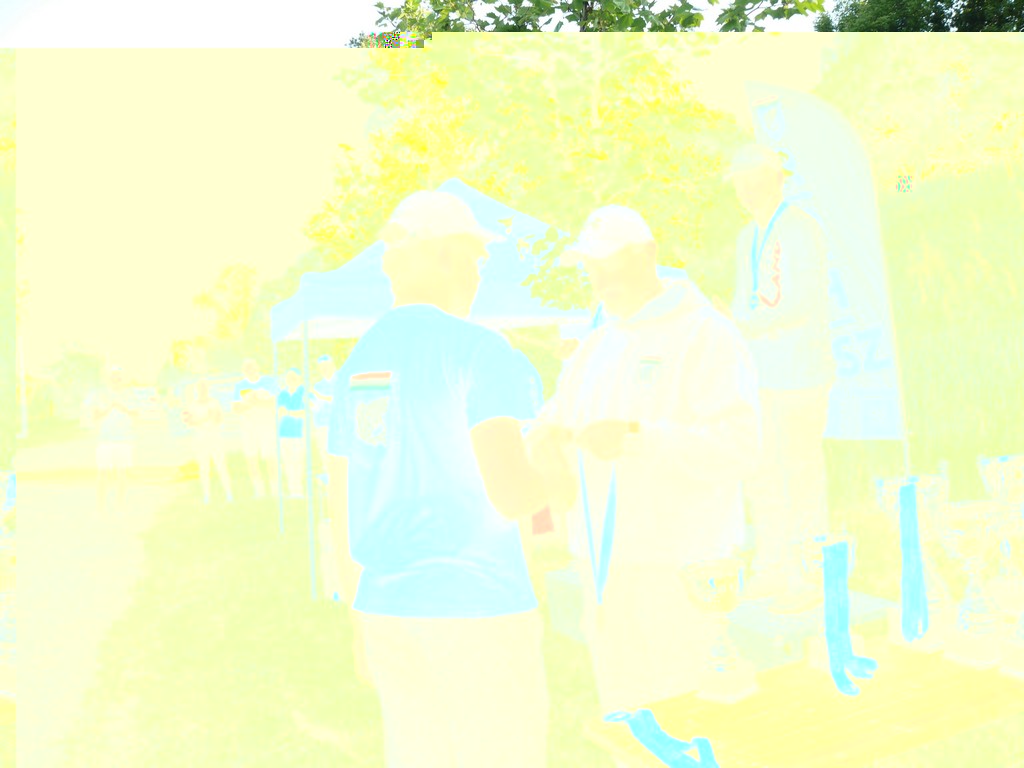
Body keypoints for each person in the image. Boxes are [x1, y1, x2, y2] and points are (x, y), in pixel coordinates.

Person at [325, 190, 571, 768]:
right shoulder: (478, 350)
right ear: (440, 255)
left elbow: (342, 503)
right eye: (474, 257)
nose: (479, 272)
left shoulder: (357, 363)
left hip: (388, 609)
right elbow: (512, 492)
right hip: (475, 606)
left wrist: (359, 620)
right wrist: (560, 472)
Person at [526, 205, 762, 722]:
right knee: (624, 713)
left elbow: (741, 444)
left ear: (648, 255)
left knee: (690, 714)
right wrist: (541, 440)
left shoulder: (706, 334)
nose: (598, 276)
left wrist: (638, 438)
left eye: (609, 261)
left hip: (679, 567)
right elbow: (553, 418)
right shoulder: (595, 344)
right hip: (602, 564)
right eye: (591, 264)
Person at [725, 143, 837, 608]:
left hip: (800, 369)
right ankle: (772, 566)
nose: (746, 188)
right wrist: (731, 327)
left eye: (755, 177)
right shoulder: (745, 237)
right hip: (760, 372)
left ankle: (807, 575)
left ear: (777, 179)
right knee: (762, 472)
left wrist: (749, 324)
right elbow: (742, 297)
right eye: (740, 180)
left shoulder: (799, 228)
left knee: (800, 470)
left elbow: (803, 299)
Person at [85, 365, 140, 513]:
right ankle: (100, 506)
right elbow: (94, 416)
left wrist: (120, 406)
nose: (116, 378)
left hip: (124, 439)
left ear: (123, 378)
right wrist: (109, 407)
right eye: (113, 375)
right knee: (102, 474)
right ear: (107, 378)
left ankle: (119, 505)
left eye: (119, 375)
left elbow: (136, 414)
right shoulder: (99, 395)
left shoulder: (129, 394)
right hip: (105, 440)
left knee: (122, 475)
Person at [231, 359, 279, 499]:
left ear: (257, 367)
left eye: (252, 367)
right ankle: (259, 491)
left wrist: (258, 401)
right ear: (243, 371)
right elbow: (235, 408)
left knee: (270, 457)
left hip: (267, 425)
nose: (250, 370)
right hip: (248, 428)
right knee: (251, 459)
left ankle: (275, 490)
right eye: (246, 368)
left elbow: (277, 401)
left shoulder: (269, 382)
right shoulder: (240, 386)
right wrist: (249, 404)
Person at [183, 378, 234, 505]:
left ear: (207, 389)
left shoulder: (214, 402)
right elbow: (188, 421)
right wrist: (205, 418)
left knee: (221, 465)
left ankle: (229, 494)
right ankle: (206, 496)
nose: (202, 391)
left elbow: (220, 419)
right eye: (200, 388)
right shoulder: (192, 405)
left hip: (214, 437)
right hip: (200, 439)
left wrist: (213, 417)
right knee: (203, 468)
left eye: (204, 388)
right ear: (197, 390)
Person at [277, 368, 307, 499]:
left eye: (293, 377)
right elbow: (280, 412)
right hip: (284, 433)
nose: (290, 380)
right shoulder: (282, 394)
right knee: (287, 463)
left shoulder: (303, 392)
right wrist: (292, 413)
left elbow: (304, 413)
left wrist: (289, 412)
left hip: (298, 433)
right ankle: (292, 490)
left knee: (298, 462)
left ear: (298, 378)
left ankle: (299, 491)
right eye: (288, 377)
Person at [310, 354, 336, 474]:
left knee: (336, 456)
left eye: (326, 366)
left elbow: (335, 400)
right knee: (325, 456)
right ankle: (329, 481)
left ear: (332, 366)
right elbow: (315, 407)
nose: (324, 369)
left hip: (336, 425)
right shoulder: (317, 385)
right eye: (321, 367)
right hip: (321, 426)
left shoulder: (340, 381)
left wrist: (319, 396)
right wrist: (310, 403)